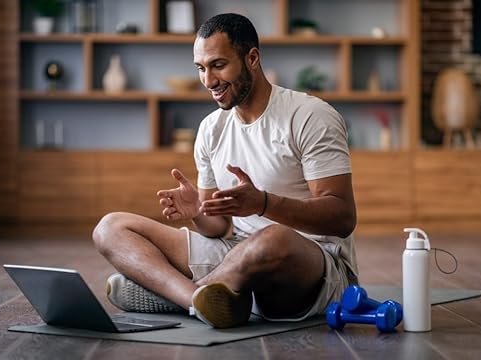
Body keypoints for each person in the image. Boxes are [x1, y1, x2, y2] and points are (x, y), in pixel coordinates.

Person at [93, 13, 358, 329]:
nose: (208, 80)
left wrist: (263, 204)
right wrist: (197, 212)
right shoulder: (210, 130)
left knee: (273, 239)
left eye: (218, 65)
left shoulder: (309, 116)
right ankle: (201, 300)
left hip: (312, 266)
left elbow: (341, 218)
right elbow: (217, 227)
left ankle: (180, 295)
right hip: (236, 252)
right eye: (201, 69)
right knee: (110, 227)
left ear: (252, 58)